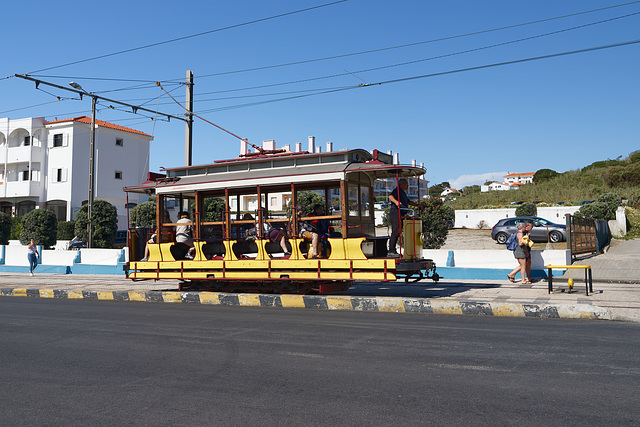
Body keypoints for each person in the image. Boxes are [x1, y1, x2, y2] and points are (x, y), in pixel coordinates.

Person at [387, 178, 419, 257]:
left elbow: (408, 201)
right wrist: (396, 202)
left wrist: (417, 205)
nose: (408, 186)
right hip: (395, 213)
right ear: (401, 185)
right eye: (406, 184)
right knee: (396, 231)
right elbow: (390, 196)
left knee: (399, 231)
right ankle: (391, 251)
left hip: (401, 213)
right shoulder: (397, 191)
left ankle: (396, 251)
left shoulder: (403, 193)